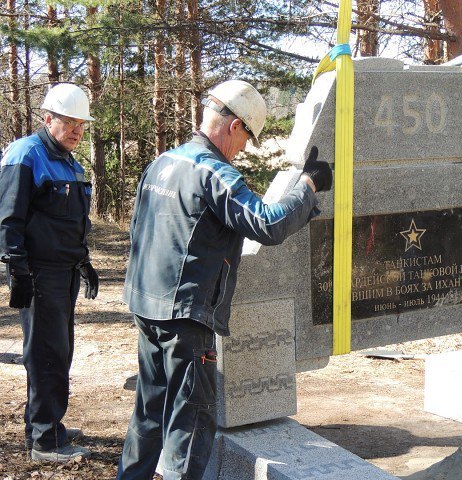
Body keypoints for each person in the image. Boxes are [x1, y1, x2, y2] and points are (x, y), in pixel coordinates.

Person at [117, 79, 332, 479]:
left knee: (149, 413)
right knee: (191, 423)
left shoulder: (162, 162)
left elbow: (137, 231)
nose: (245, 148)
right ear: (235, 127)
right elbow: (268, 225)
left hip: (147, 305)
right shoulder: (215, 174)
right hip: (185, 316)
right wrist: (308, 186)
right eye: (247, 138)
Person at [0, 83, 100, 462]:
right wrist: (17, 269)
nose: (77, 130)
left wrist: (84, 259)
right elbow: (9, 217)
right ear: (48, 119)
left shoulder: (70, 161)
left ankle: (43, 424)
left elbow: (70, 221)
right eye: (70, 122)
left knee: (59, 351)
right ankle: (45, 442)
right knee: (46, 353)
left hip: (65, 271)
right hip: (40, 274)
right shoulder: (28, 154)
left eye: (82, 125)